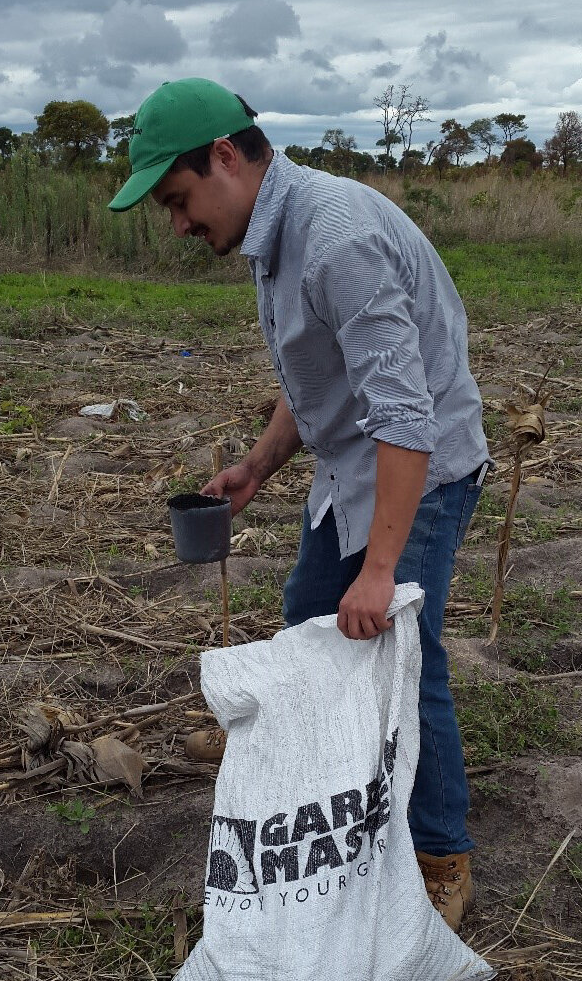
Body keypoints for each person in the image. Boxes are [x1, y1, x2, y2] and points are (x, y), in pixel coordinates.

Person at [109, 78, 490, 932]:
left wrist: (382, 571)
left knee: (401, 649)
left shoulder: (335, 238)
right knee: (308, 614)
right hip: (356, 457)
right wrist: (258, 463)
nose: (177, 224)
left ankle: (439, 855)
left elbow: (403, 413)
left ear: (225, 158)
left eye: (177, 201)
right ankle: (317, 771)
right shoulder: (273, 234)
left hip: (419, 465)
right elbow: (318, 374)